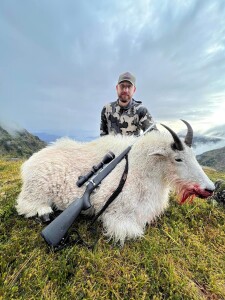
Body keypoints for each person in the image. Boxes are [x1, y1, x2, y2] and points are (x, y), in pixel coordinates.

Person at [100, 72, 156, 136]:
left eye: (129, 86)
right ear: (117, 88)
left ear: (134, 90)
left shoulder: (141, 110)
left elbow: (153, 135)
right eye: (122, 86)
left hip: (134, 146)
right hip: (111, 146)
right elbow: (103, 137)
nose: (125, 90)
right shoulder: (107, 109)